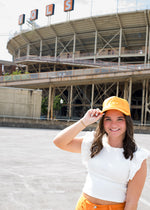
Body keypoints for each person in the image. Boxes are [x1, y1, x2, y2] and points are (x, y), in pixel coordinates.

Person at [53, 96, 149, 210]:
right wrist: (84, 122)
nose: (114, 125)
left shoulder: (138, 156)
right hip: (84, 206)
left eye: (119, 119)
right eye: (108, 119)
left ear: (127, 121)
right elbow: (59, 142)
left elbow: (132, 203)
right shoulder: (93, 143)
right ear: (102, 121)